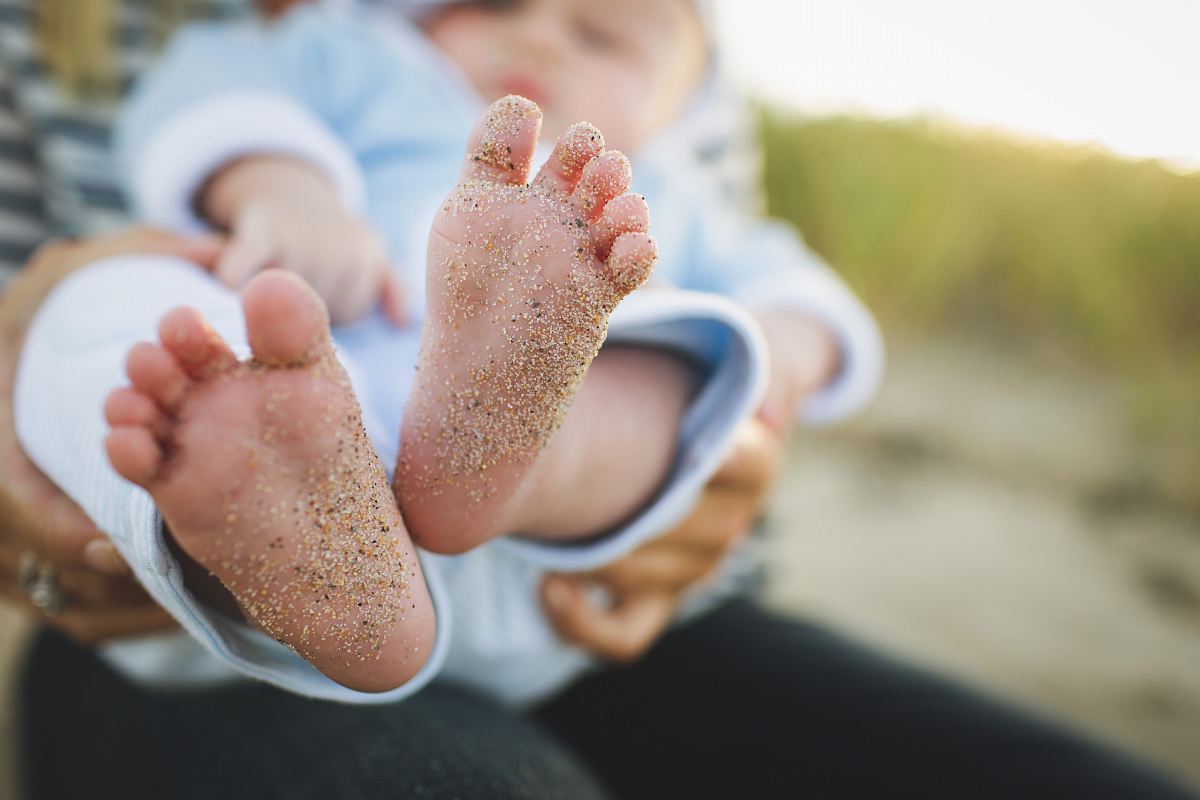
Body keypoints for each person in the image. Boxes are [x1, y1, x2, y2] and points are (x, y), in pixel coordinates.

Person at [5, 1, 1197, 798]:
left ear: (686, 102)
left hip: (558, 577)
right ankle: (293, 531)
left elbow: (808, 307)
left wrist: (768, 371)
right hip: (206, 591)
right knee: (116, 298)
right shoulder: (354, 57)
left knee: (676, 347)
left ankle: (511, 440)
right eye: (497, 2)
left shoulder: (658, 194)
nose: (540, 36)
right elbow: (215, 88)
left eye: (600, 34)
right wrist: (283, 185)